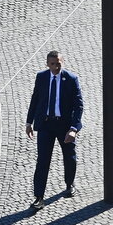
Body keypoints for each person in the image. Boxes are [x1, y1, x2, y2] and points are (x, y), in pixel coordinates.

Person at [25, 50, 84, 211]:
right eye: (52, 64)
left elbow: (78, 106)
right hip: (45, 125)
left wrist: (73, 129)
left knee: (70, 156)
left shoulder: (71, 79)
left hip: (64, 125)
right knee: (42, 161)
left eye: (58, 63)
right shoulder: (42, 77)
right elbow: (35, 99)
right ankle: (39, 196)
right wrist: (29, 122)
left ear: (62, 62)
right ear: (47, 64)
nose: (56, 67)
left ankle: (69, 183)